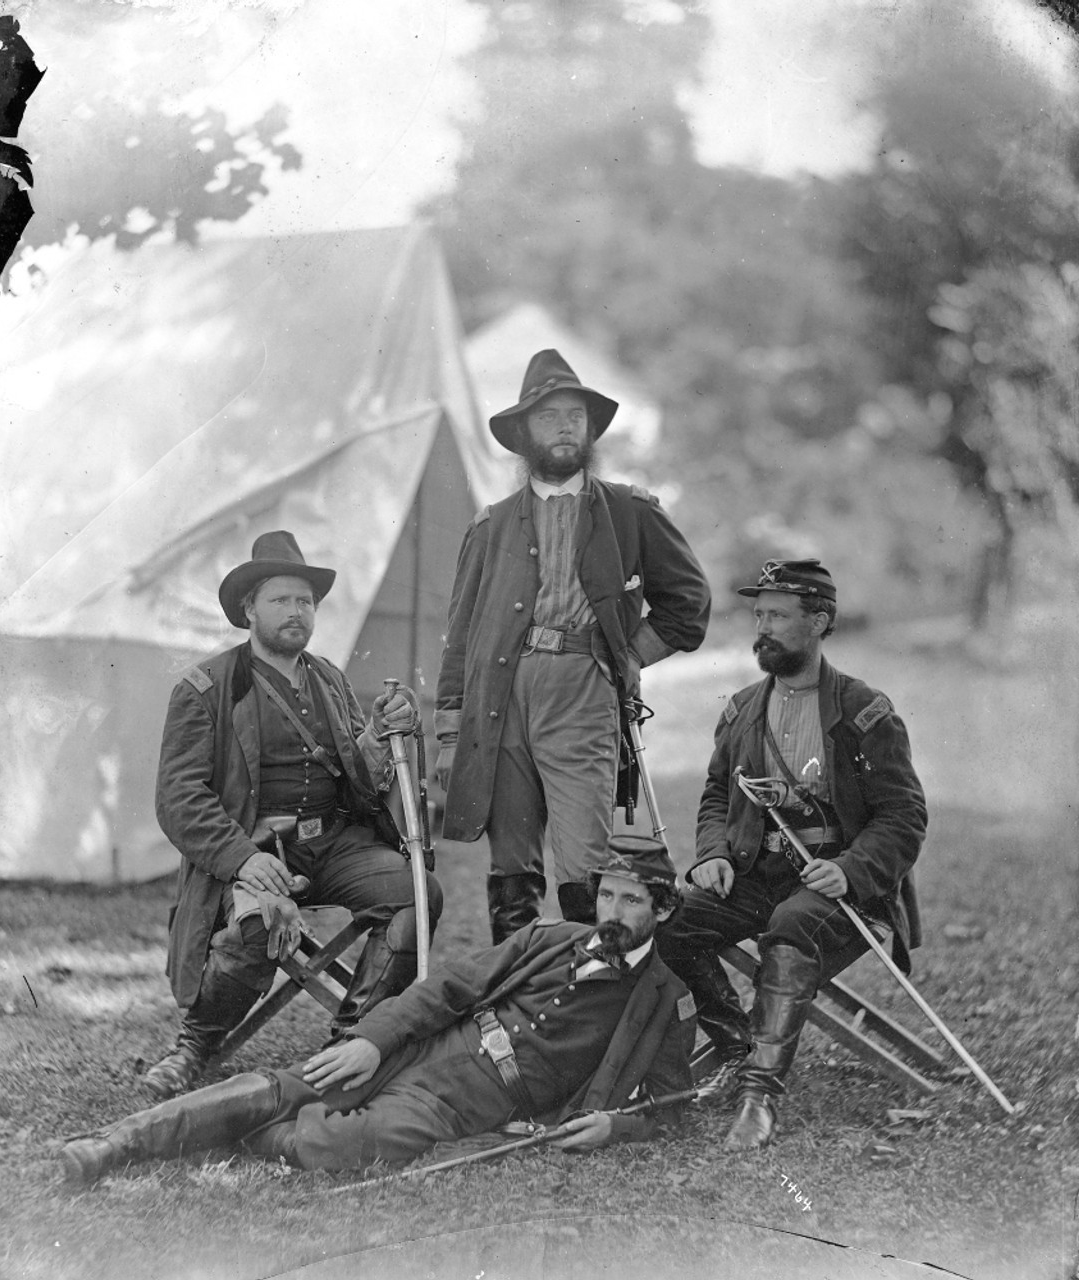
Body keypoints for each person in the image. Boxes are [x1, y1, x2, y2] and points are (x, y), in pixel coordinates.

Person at [61, 837, 696, 1184]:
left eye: (631, 901)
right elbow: (447, 989)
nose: (612, 912)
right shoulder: (549, 939)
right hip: (426, 1045)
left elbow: (671, 1107)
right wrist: (372, 1039)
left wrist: (619, 1128)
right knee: (290, 1086)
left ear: (661, 911)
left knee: (339, 1142)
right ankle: (115, 1144)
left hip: (470, 1102)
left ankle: (250, 1129)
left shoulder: (664, 999)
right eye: (607, 895)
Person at [142, 530, 444, 1101]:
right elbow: (178, 797)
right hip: (255, 853)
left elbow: (358, 767)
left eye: (304, 601)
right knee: (255, 928)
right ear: (249, 609)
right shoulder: (205, 688)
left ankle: (351, 1039)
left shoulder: (328, 677)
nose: (295, 612)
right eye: (280, 600)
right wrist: (242, 862)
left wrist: (380, 732)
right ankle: (194, 1047)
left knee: (416, 893)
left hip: (333, 844)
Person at [435, 349, 710, 942]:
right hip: (498, 699)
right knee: (510, 859)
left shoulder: (629, 511)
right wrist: (450, 735)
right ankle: (518, 998)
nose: (564, 426)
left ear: (589, 429)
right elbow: (460, 636)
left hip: (582, 690)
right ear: (523, 434)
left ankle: (590, 998)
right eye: (548, 416)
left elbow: (690, 604)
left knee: (585, 857)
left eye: (575, 416)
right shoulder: (491, 524)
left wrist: (630, 655)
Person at [657, 558, 927, 1150]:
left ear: (820, 622)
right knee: (669, 919)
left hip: (842, 890)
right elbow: (714, 793)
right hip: (759, 872)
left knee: (792, 924)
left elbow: (904, 816)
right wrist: (713, 853)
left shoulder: (864, 712)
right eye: (759, 615)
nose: (764, 628)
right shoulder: (742, 710)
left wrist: (850, 870)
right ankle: (734, 1046)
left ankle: (759, 1097)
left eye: (778, 616)